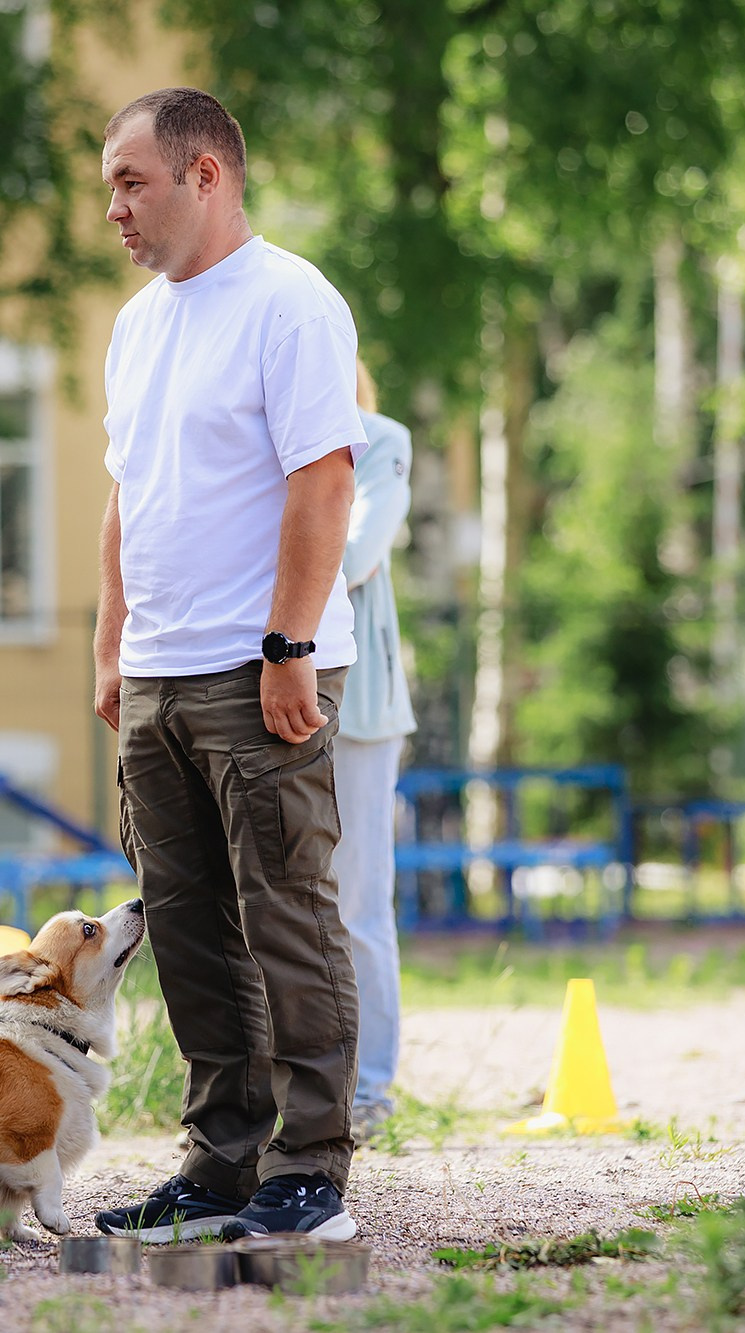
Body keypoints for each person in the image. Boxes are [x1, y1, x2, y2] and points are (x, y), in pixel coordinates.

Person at [88, 88, 366, 1244]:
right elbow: (126, 495)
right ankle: (219, 1162)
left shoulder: (290, 303)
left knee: (285, 919)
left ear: (206, 177)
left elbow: (324, 479)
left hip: (258, 670)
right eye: (107, 183)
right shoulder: (137, 321)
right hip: (155, 674)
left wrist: (288, 645)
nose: (112, 207)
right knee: (188, 928)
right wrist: (110, 650)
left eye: (130, 181)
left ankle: (311, 1169)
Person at [332, 361, 417, 1141]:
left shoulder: (383, 443)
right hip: (266, 693)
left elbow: (358, 554)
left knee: (359, 900)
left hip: (357, 703)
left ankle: (373, 1088)